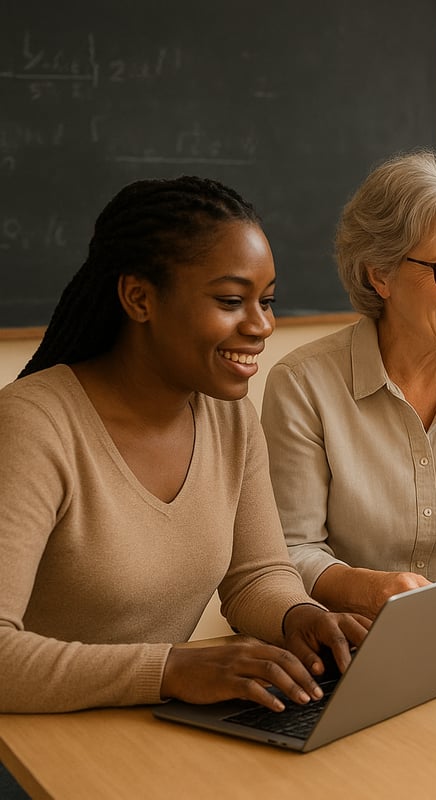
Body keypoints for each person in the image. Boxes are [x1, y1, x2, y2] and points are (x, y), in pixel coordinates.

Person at [0, 176, 368, 715]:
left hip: (140, 727)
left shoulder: (230, 416)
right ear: (139, 297)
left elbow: (255, 575)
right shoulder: (34, 425)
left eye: (266, 301)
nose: (262, 325)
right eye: (229, 300)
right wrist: (170, 668)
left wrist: (299, 616)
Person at [260, 152, 436, 619]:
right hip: (347, 638)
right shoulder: (303, 386)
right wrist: (371, 589)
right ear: (381, 275)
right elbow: (289, 552)